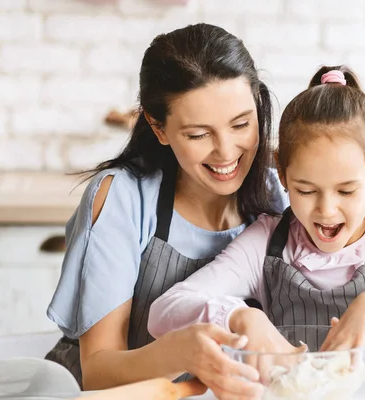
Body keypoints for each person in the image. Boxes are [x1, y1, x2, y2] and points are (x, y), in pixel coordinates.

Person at [147, 66, 365, 375]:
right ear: (283, 175)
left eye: (347, 192)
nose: (327, 210)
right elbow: (163, 312)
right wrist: (239, 317)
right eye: (306, 190)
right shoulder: (267, 242)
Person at [44, 23, 288, 399]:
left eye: (241, 124)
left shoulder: (276, 196)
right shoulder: (124, 198)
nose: (226, 151)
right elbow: (97, 373)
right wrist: (178, 352)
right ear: (159, 128)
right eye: (198, 134)